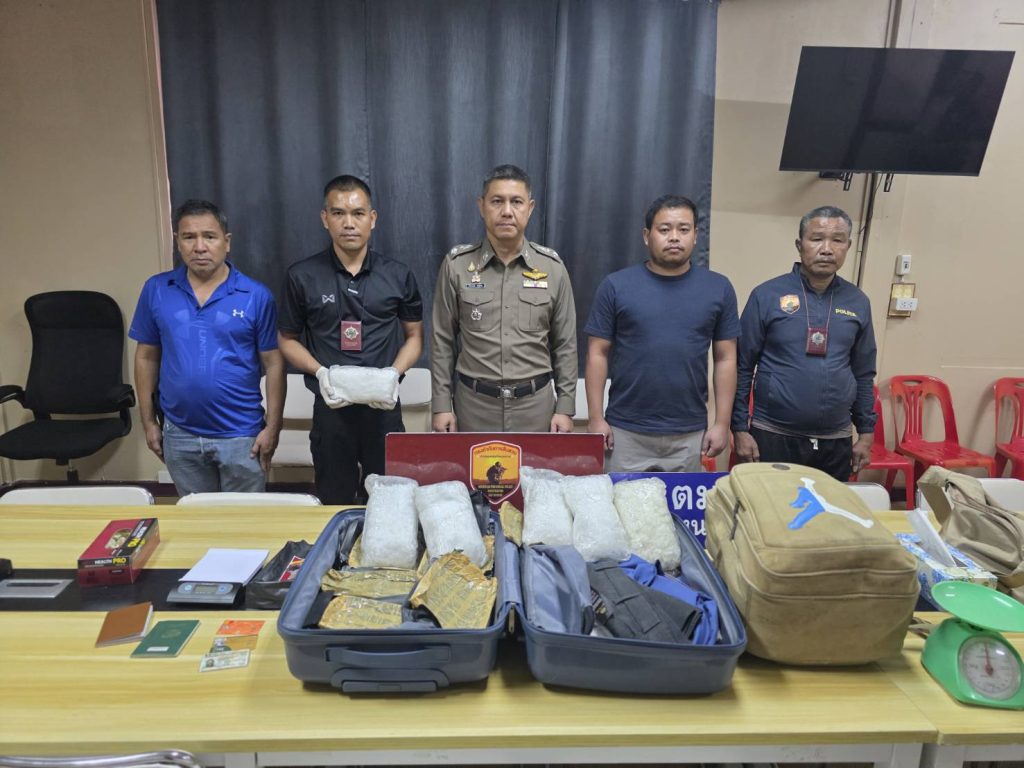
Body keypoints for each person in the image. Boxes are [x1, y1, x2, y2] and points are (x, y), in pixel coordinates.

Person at [278, 175, 423, 504]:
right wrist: (320, 373)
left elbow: (415, 337)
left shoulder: (398, 275)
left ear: (372, 218)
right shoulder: (302, 276)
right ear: (324, 218)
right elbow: (286, 339)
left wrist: (394, 373)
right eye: (338, 213)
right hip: (332, 410)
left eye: (357, 213)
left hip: (383, 409)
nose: (348, 223)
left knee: (389, 503)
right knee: (334, 502)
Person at [131, 199, 284, 496]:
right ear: (177, 241)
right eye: (189, 237)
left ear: (227, 242)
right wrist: (148, 422)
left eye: (209, 237)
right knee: (196, 519)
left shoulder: (255, 296)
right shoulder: (157, 290)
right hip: (180, 433)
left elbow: (274, 363)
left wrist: (273, 427)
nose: (199, 247)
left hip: (241, 435)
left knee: (244, 520)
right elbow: (146, 356)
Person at [584, 195, 739, 472]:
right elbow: (597, 353)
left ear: (696, 235)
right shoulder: (616, 286)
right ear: (647, 236)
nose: (674, 237)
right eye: (664, 229)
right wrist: (596, 418)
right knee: (621, 501)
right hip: (625, 432)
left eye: (684, 229)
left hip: (689, 433)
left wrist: (722, 423)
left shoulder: (719, 288)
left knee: (682, 503)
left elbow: (726, 358)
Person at [732, 205, 877, 480]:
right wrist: (739, 428)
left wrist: (866, 435)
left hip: (836, 439)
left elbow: (864, 372)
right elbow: (742, 366)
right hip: (772, 434)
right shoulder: (767, 295)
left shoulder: (858, 302)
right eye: (817, 238)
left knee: (828, 507)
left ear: (848, 246)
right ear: (800, 245)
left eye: (837, 240)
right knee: (772, 506)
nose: (827, 249)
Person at [431, 164, 577, 433]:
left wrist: (565, 408)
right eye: (497, 201)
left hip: (535, 408)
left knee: (536, 465)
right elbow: (442, 341)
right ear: (481, 206)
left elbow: (565, 345)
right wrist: (441, 406)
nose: (507, 211)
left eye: (516, 202)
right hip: (474, 406)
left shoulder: (553, 268)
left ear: (530, 208)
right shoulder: (457, 265)